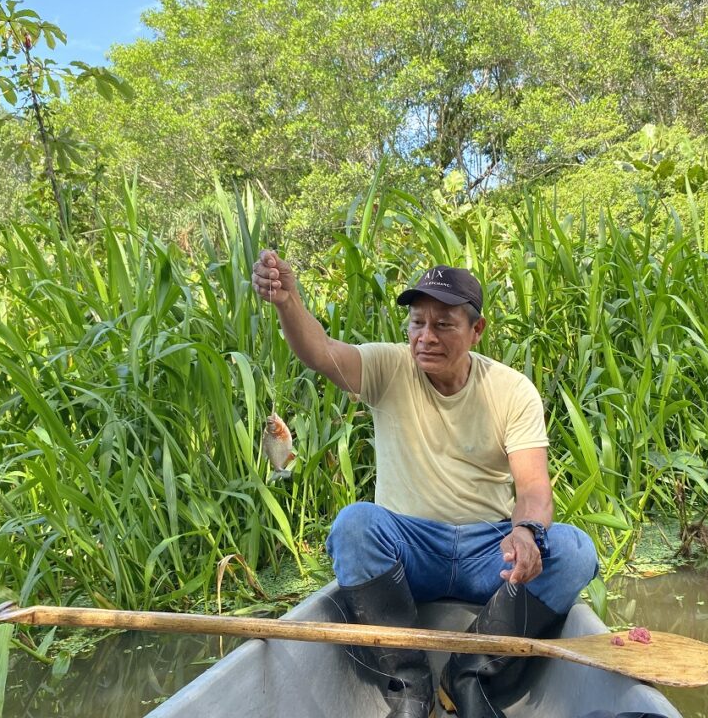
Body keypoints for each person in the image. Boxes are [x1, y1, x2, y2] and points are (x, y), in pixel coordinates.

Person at [252, 251, 599, 718]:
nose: (425, 337)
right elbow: (320, 352)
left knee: (575, 551)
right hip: (409, 547)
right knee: (355, 525)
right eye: (417, 323)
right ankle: (411, 684)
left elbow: (534, 488)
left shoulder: (511, 390)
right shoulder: (388, 367)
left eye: (443, 324)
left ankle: (469, 671)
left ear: (477, 331)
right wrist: (287, 301)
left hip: (488, 552)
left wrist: (527, 532)